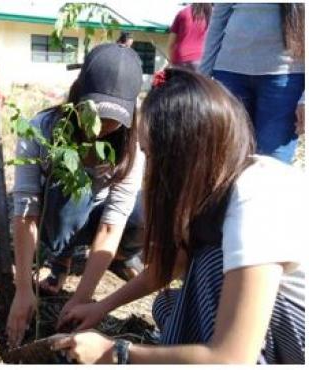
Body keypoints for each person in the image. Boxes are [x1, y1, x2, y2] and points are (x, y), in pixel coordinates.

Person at [52, 68, 305, 364]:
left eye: (151, 152)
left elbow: (233, 360)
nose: (149, 168)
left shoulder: (255, 195)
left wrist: (117, 353)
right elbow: (175, 263)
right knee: (167, 307)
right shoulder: (220, 183)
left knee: (210, 265)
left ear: (181, 152)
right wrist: (102, 306)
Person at [6, 43, 145, 348]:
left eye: (113, 119)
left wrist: (83, 298)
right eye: (95, 113)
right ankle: (61, 259)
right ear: (78, 95)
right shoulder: (41, 130)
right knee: (69, 189)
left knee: (142, 212)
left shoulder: (131, 150)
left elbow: (111, 225)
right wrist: (23, 289)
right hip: (59, 214)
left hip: (100, 218)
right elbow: (27, 210)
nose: (100, 128)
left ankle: (120, 257)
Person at [200, 3, 304, 164]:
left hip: (284, 80)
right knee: (226, 158)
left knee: (272, 163)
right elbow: (218, 22)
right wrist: (201, 81)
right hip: (229, 73)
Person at [168, 3, 212, 71]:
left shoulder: (182, 13)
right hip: (202, 59)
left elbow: (171, 43)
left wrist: (171, 61)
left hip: (181, 59)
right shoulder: (212, 15)